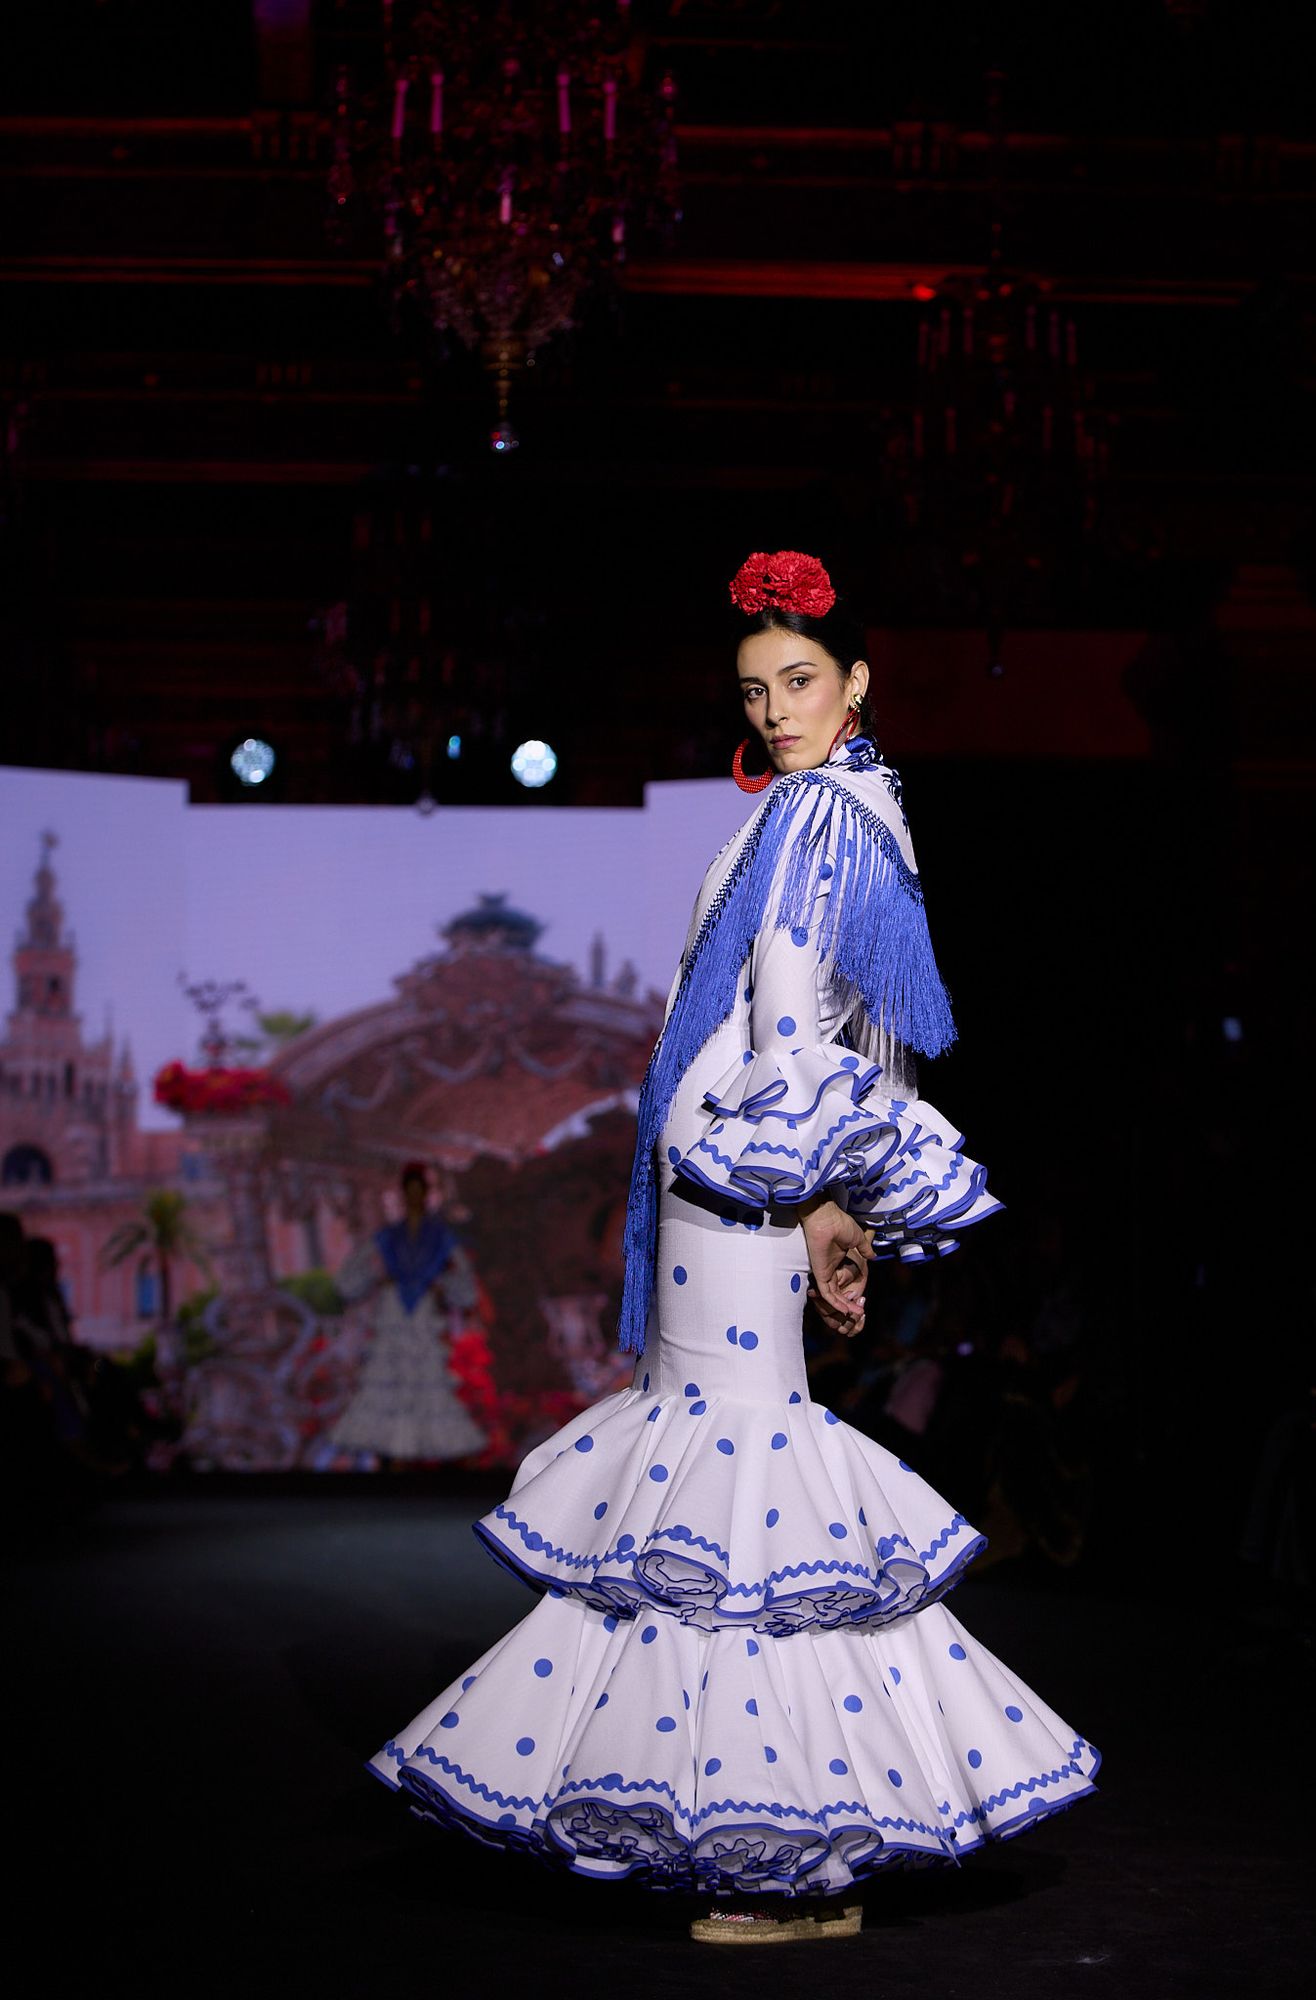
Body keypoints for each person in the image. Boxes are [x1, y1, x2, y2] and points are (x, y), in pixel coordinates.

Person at [370, 550, 1099, 1941]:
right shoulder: (834, 809)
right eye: (757, 689)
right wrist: (834, 1190)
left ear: (858, 682)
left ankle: (786, 1857)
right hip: (736, 1183)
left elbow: (789, 1011)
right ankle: (773, 1840)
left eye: (800, 682)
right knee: (727, 1507)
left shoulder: (826, 813)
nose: (774, 709)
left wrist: (821, 1188)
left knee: (741, 1507)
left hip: (741, 1182)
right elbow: (839, 1018)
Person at [328, 1163, 486, 1466]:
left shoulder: (440, 1237)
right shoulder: (388, 1236)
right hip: (394, 1315)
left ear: (428, 1194)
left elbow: (465, 1288)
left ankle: (430, 1462)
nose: (415, 1197)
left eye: (420, 1191)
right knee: (390, 1381)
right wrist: (377, 1277)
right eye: (409, 1191)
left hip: (423, 1316)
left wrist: (441, 1286)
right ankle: (391, 1459)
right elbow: (347, 1281)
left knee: (426, 1381)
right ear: (402, 1194)